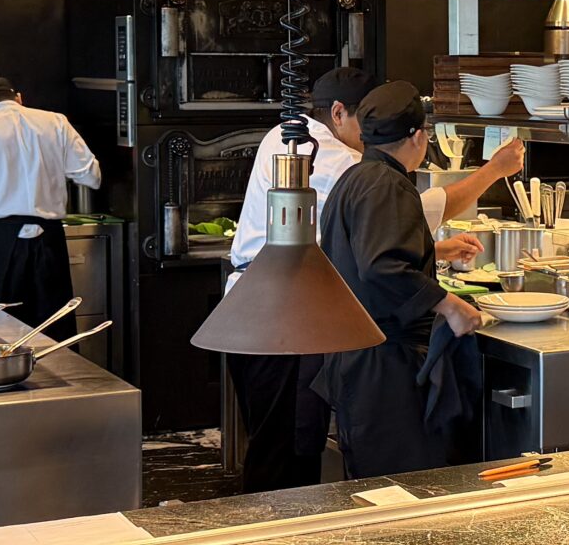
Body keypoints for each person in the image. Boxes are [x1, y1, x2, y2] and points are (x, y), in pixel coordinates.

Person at [223, 68, 522, 490]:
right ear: (339, 113)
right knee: (289, 457)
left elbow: (356, 244)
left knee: (283, 450)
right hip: (288, 316)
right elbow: (384, 255)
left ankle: (278, 525)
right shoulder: (346, 165)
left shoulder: (292, 138)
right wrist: (449, 302)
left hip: (258, 309)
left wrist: (431, 251)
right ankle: (277, 529)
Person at [314, 83, 483, 480]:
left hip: (356, 357)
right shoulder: (389, 185)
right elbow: (382, 267)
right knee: (402, 484)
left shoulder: (356, 177)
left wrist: (432, 252)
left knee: (374, 483)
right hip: (385, 368)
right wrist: (450, 306)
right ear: (418, 137)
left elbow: (361, 256)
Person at [0, 77, 101, 323]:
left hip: (3, 239)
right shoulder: (56, 122)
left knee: (3, 325)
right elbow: (91, 176)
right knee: (55, 323)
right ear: (18, 98)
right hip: (50, 237)